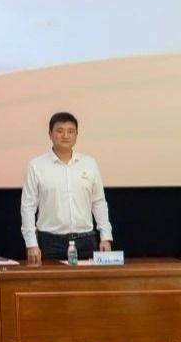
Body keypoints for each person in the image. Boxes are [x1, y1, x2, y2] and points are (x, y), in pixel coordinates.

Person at [20, 112, 113, 265]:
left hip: (86, 241)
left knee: (87, 281)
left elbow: (98, 203)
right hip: (50, 242)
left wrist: (105, 237)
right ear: (50, 134)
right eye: (60, 131)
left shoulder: (89, 163)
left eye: (71, 131)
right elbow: (28, 207)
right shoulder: (36, 166)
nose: (65, 135)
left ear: (76, 135)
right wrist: (31, 243)